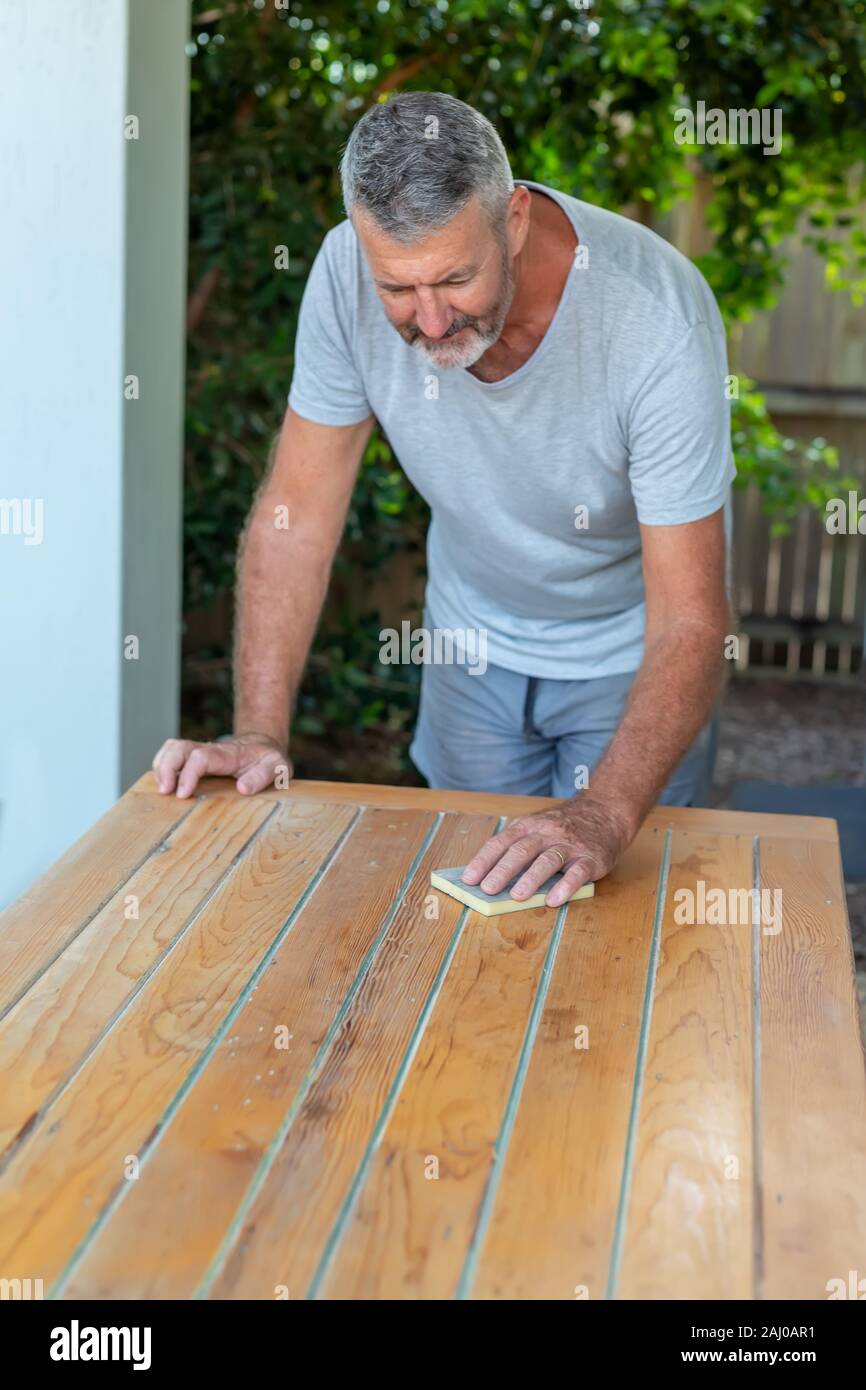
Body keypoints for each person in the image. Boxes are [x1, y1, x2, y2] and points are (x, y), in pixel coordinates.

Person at [154, 91, 734, 909]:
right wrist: (256, 735)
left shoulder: (656, 321)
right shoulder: (342, 275)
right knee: (466, 922)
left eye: (457, 278)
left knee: (625, 927)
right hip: (470, 647)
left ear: (517, 220)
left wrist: (603, 813)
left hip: (629, 660)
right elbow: (296, 521)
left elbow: (692, 620)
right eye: (398, 288)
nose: (429, 320)